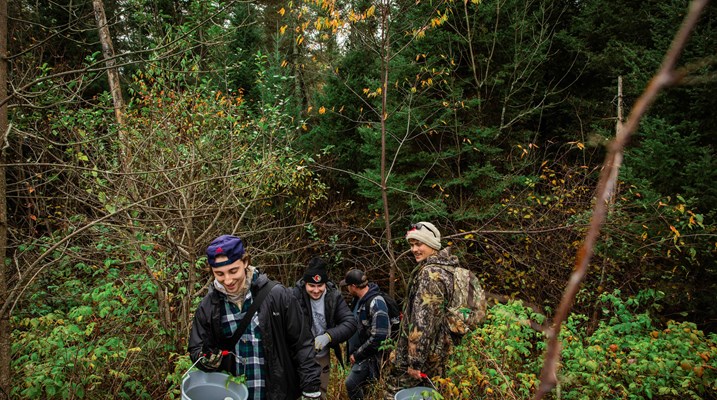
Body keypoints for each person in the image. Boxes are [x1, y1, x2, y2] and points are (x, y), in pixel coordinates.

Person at [187, 234, 322, 400]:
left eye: (233, 271)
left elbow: (302, 344)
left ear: (245, 262)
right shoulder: (208, 306)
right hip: (231, 395)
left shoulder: (277, 296)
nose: (228, 280)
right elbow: (196, 348)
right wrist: (205, 359)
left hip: (276, 393)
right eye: (219, 274)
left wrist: (310, 388)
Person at [387, 222, 457, 392]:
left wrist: (415, 362)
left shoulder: (430, 275)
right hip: (437, 352)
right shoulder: (447, 269)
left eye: (419, 244)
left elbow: (423, 321)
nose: (414, 249)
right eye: (411, 245)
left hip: (421, 358)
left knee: (394, 391)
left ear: (432, 245)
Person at [291, 257, 358, 399]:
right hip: (297, 356)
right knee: (296, 392)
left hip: (321, 356)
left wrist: (328, 336)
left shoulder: (333, 296)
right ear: (305, 284)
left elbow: (350, 323)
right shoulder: (294, 296)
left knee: (320, 393)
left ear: (325, 284)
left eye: (320, 286)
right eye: (311, 286)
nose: (316, 290)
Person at [341, 268, 391, 400]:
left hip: (369, 357)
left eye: (347, 286)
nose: (346, 289)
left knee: (351, 384)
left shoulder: (376, 302)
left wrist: (357, 355)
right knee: (367, 390)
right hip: (359, 356)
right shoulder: (358, 300)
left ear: (353, 286)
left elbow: (380, 336)